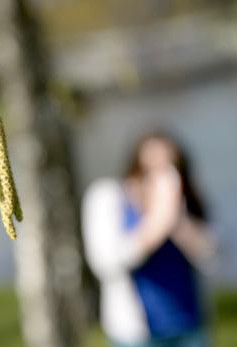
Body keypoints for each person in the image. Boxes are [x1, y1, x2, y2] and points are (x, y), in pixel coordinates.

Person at [82, 132, 216, 347]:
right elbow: (106, 263)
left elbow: (211, 257)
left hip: (189, 324)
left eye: (170, 169)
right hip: (137, 333)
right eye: (150, 169)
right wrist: (157, 224)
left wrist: (178, 220)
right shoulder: (108, 197)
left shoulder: (184, 204)